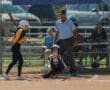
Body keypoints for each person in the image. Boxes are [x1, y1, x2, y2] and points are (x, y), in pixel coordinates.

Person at [54, 9, 78, 75]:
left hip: (69, 40)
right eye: (61, 14)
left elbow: (75, 31)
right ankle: (60, 69)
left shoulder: (69, 21)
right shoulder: (57, 22)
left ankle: (72, 71)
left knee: (70, 55)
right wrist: (54, 41)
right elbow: (57, 32)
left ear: (65, 15)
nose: (62, 15)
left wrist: (75, 40)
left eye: (63, 14)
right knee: (59, 55)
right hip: (61, 41)